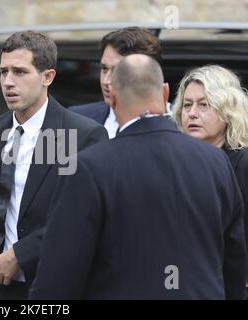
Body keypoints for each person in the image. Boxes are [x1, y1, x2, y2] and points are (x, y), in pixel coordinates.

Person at [30, 54, 246, 299]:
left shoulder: (89, 167)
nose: (193, 112)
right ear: (165, 93)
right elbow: (233, 262)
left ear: (111, 97)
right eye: (188, 104)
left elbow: (59, 275)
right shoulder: (215, 161)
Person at [0, 30, 108, 300]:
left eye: (20, 72)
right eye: (3, 72)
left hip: (51, 289)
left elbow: (85, 218)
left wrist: (21, 255)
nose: (8, 82)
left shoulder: (83, 135)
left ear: (48, 76)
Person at [171, 64, 248, 297]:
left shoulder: (243, 162)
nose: (192, 113)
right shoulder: (176, 162)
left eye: (204, 105)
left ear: (228, 110)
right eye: (187, 104)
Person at [70, 26, 164, 138]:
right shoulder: (75, 119)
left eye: (118, 70)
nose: (106, 81)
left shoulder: (179, 122)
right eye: (104, 69)